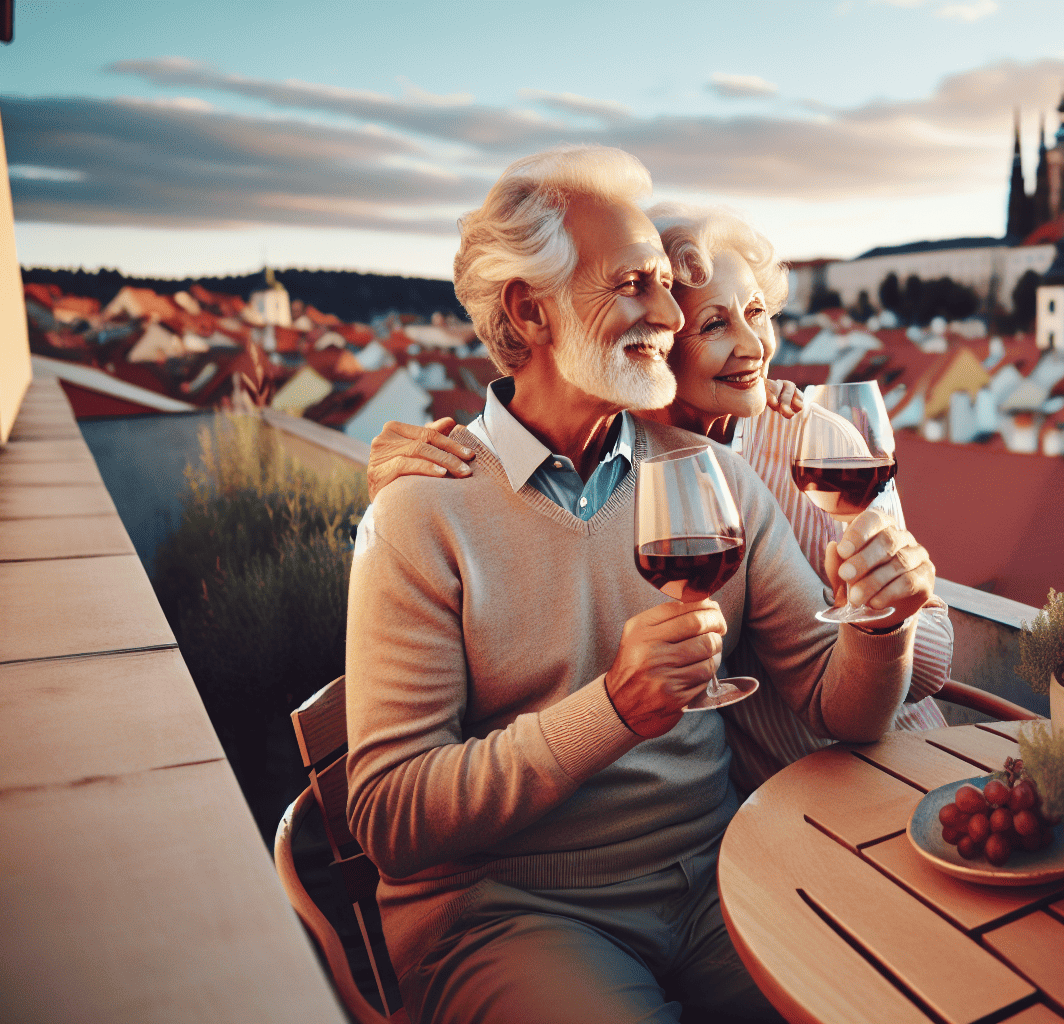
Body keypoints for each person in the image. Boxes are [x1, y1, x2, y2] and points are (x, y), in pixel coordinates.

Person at [345, 144, 938, 1024]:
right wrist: (613, 709)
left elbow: (838, 703)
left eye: (667, 284)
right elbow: (391, 817)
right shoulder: (420, 516)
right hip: (509, 915)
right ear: (529, 309)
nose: (668, 310)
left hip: (718, 875)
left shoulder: (715, 478)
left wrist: (881, 626)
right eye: (633, 284)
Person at [369, 202, 952, 791]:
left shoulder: (803, 446)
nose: (753, 347)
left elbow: (919, 663)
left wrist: (878, 614)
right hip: (774, 801)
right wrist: (405, 497)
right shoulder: (622, 461)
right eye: (714, 325)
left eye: (756, 313)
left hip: (885, 758)